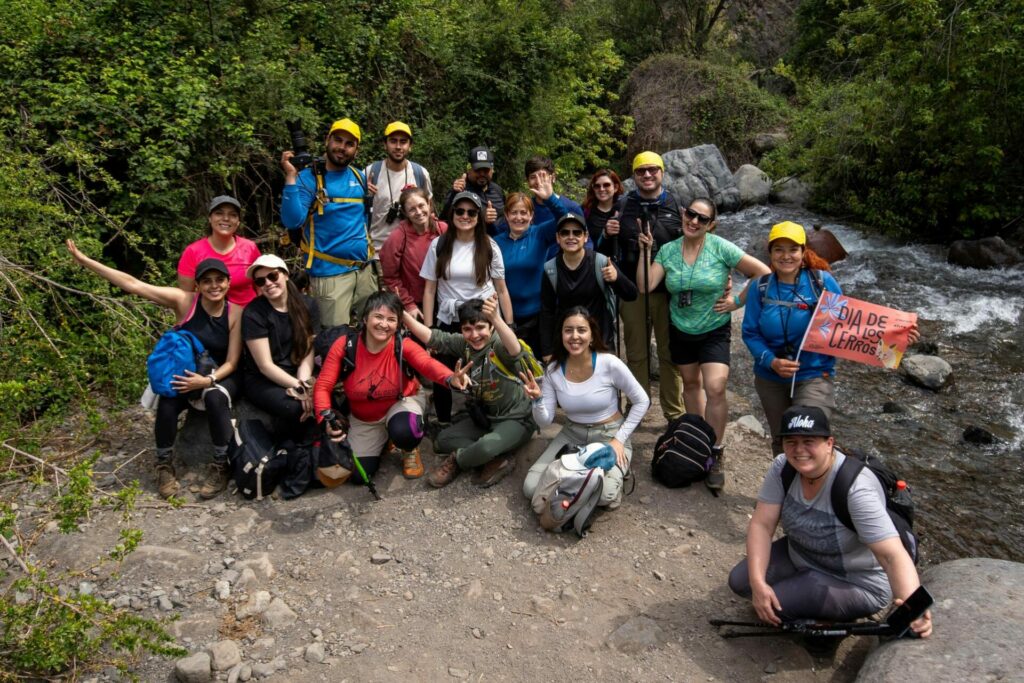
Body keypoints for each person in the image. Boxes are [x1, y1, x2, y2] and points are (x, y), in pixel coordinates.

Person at [728, 406, 933, 648]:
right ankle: (804, 597)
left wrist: (913, 607)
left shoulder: (855, 489)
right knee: (741, 582)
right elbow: (762, 525)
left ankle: (832, 620)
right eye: (791, 441)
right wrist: (758, 582)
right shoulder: (783, 467)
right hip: (802, 555)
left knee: (776, 605)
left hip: (856, 580)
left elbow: (891, 555)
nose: (799, 450)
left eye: (809, 441)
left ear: (829, 443)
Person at [67, 242, 242, 499]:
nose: (214, 286)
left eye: (219, 280)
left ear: (228, 283)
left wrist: (207, 381)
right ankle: (164, 464)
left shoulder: (235, 312)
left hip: (218, 375)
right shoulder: (185, 302)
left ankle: (220, 463)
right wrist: (86, 261)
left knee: (215, 398)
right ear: (197, 286)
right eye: (207, 281)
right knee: (169, 401)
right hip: (186, 372)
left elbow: (233, 361)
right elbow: (134, 284)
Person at [637, 197, 770, 492]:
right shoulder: (669, 251)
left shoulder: (720, 247)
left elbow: (763, 272)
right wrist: (645, 252)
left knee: (716, 387)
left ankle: (716, 451)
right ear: (684, 215)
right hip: (681, 329)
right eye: (691, 215)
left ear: (711, 225)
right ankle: (695, 444)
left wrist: (737, 301)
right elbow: (646, 285)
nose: (694, 221)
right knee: (691, 385)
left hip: (714, 330)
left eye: (702, 219)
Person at [313, 291, 470, 480]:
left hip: (403, 402)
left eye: (391, 319)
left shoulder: (402, 344)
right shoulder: (345, 345)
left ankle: (408, 447)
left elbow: (427, 364)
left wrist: (449, 378)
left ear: (398, 324)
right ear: (365, 318)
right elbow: (323, 386)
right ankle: (385, 438)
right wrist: (325, 419)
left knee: (405, 431)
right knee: (357, 475)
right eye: (378, 317)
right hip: (364, 418)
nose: (384, 324)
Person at [521, 307, 650, 509]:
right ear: (561, 335)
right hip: (572, 434)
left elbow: (642, 401)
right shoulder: (553, 370)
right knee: (530, 488)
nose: (574, 336)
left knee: (606, 495)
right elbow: (545, 421)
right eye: (568, 330)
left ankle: (582, 482)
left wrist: (619, 439)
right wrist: (537, 400)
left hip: (610, 434)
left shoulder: (609, 363)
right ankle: (582, 481)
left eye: (581, 330)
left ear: (591, 335)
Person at [403, 297, 536, 489]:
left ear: (491, 328)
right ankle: (491, 458)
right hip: (486, 418)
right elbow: (434, 337)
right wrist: (404, 315)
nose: (474, 335)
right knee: (442, 440)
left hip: (516, 419)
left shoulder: (499, 344)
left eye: (480, 327)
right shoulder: (465, 346)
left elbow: (515, 350)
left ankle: (460, 460)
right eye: (467, 329)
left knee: (485, 446)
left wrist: (496, 319)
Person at [596, 151, 684, 422]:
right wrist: (606, 234)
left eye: (652, 170)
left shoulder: (675, 204)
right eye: (641, 171)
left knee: (670, 354)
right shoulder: (622, 205)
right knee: (636, 353)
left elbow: (689, 245)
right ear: (633, 176)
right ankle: (639, 406)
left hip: (668, 291)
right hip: (632, 291)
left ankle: (674, 412)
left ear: (662, 172)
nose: (647, 175)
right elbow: (604, 249)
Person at [420, 190, 513, 425]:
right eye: (460, 211)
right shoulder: (439, 245)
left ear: (479, 216)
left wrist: (509, 326)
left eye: (471, 212)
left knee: (485, 372)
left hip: (482, 319)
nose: (465, 216)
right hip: (450, 318)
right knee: (442, 371)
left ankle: (485, 421)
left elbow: (501, 290)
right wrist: (429, 330)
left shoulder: (489, 246)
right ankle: (443, 421)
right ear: (451, 214)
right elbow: (430, 289)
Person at [280, 118, 375, 327]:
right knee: (334, 341)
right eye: (338, 140)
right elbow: (292, 220)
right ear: (327, 141)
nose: (342, 148)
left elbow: (363, 221)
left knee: (372, 334)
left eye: (349, 144)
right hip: (330, 275)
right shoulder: (308, 178)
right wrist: (290, 178)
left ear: (356, 150)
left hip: (364, 272)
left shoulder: (359, 177)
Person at [242, 254, 320, 440]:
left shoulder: (307, 304)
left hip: (298, 369)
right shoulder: (253, 313)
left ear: (285, 275)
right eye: (260, 281)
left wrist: (304, 384)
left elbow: (307, 351)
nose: (268, 283)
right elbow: (265, 365)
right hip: (263, 378)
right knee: (295, 408)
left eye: (273, 276)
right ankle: (290, 451)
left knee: (323, 399)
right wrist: (298, 388)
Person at [539, 214, 637, 358]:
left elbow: (631, 294)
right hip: (569, 344)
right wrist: (547, 350)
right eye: (565, 233)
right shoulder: (551, 269)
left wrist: (616, 278)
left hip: (601, 342)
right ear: (558, 238)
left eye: (577, 232)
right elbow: (546, 311)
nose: (571, 237)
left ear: (585, 237)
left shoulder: (601, 262)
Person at [492, 180, 572, 352]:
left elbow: (565, 219)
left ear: (531, 215)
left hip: (538, 315)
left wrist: (550, 198)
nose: (518, 217)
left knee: (541, 365)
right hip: (508, 317)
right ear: (506, 215)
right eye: (513, 213)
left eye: (523, 213)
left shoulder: (540, 234)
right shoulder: (496, 242)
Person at [177, 195, 262, 306]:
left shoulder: (250, 248)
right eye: (219, 213)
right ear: (210, 218)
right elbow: (186, 296)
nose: (226, 218)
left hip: (249, 316)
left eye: (232, 215)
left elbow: (261, 286)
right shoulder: (193, 252)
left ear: (238, 221)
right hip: (211, 318)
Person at [364, 121, 433, 255]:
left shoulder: (420, 173)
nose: (398, 146)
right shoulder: (371, 172)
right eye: (393, 141)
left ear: (410, 146)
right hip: (378, 252)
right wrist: (364, 195)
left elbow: (430, 209)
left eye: (403, 142)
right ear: (385, 144)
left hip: (413, 251)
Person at [380, 187, 448, 321]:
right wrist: (408, 304)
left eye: (421, 206)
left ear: (429, 204)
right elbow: (390, 277)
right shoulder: (397, 238)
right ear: (405, 213)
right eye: (412, 209)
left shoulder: (443, 230)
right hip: (417, 304)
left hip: (445, 299)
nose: (418, 212)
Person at [441, 146, 504, 231]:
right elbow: (444, 221)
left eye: (485, 170)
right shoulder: (460, 190)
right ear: (469, 170)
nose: (482, 174)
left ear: (492, 170)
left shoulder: (498, 190)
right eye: (477, 170)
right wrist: (482, 220)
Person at [582, 169, 624, 244]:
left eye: (606, 185)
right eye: (597, 186)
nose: (601, 189)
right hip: (593, 254)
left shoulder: (624, 209)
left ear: (616, 187)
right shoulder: (585, 211)